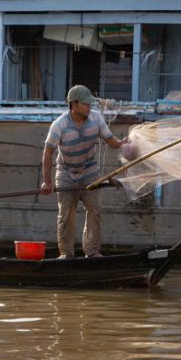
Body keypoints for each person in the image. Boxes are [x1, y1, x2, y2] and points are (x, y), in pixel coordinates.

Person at [39, 85, 125, 258]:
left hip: (90, 172)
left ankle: (92, 251)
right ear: (74, 104)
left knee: (95, 210)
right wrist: (47, 182)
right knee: (66, 214)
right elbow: (48, 153)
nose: (89, 107)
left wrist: (126, 144)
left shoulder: (96, 119)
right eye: (86, 104)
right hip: (66, 173)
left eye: (90, 104)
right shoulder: (60, 125)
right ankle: (66, 254)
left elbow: (112, 141)